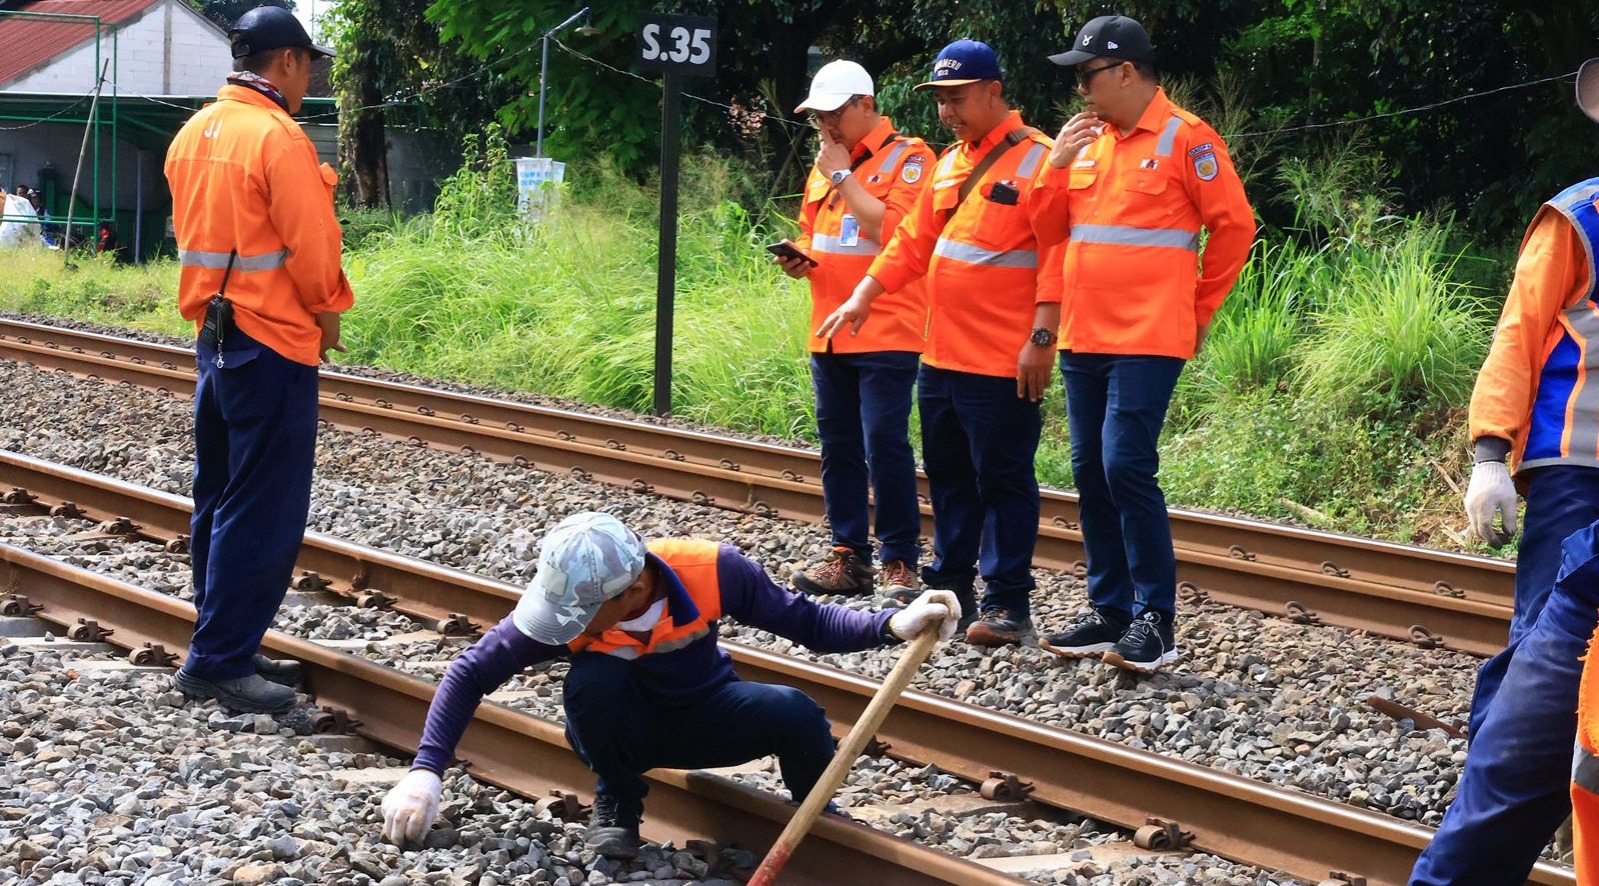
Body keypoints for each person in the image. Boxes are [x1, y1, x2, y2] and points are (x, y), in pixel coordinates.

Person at [378, 511, 958, 857]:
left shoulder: (712, 569)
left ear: (630, 590)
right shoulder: (566, 610)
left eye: (581, 612)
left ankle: (818, 817)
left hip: (707, 715)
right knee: (594, 681)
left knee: (796, 710)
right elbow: (470, 672)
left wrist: (890, 624)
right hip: (618, 731)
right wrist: (425, 773)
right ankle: (619, 800)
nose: (568, 624)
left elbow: (806, 621)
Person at [1410, 56, 1599, 886]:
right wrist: (1489, 455)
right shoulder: (1580, 218)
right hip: (1575, 470)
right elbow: (1517, 336)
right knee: (1542, 660)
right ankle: (1511, 794)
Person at [817, 40, 1065, 647]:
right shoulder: (951, 163)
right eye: (941, 101)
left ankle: (1007, 603)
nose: (948, 111)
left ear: (993, 91)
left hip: (1003, 358)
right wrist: (866, 293)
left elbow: (1060, 255)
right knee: (950, 477)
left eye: (957, 98)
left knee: (1003, 479)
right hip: (942, 356)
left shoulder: (1041, 160)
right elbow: (910, 243)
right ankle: (953, 588)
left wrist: (1041, 339)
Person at [1031, 15, 1254, 674]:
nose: (1079, 91)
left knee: (1124, 463)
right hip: (1085, 335)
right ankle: (1110, 611)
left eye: (1086, 75)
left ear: (1125, 71)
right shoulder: (1086, 144)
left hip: (1149, 334)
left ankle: (1155, 618)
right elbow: (1047, 230)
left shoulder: (1188, 139)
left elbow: (1233, 227)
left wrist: (1197, 310)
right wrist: (1054, 166)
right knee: (1090, 473)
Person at [163, 5, 351, 714]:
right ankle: (218, 661)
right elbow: (311, 247)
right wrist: (328, 314)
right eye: (308, 67)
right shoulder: (277, 137)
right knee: (262, 509)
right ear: (286, 62)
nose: (308, 81)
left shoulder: (194, 132)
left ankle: (223, 639)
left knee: (218, 494)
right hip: (271, 339)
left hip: (215, 338)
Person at [776, 60, 932, 602]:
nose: (824, 125)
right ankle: (848, 556)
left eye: (833, 113)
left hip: (887, 327)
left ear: (865, 105)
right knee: (839, 447)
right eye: (817, 116)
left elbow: (895, 234)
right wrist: (801, 260)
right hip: (829, 330)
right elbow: (814, 232)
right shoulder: (824, 163)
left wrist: (844, 173)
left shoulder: (911, 158)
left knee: (884, 443)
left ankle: (898, 561)